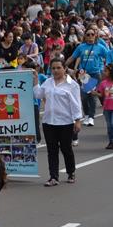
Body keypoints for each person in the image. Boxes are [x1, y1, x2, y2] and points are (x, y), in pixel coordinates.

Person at [33, 55, 82, 186]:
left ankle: (71, 172)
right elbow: (38, 95)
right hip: (49, 122)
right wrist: (36, 82)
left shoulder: (72, 85)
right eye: (53, 68)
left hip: (65, 122)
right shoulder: (48, 82)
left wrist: (77, 120)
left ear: (65, 69)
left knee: (66, 149)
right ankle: (53, 177)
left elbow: (76, 104)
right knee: (52, 150)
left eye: (58, 68)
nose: (55, 71)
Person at [67, 29, 106, 126]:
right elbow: (73, 57)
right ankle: (87, 114)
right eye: (88, 34)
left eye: (92, 34)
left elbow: (108, 56)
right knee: (84, 96)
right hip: (83, 74)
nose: (90, 36)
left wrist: (108, 68)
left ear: (95, 35)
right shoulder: (81, 47)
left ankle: (91, 117)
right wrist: (64, 65)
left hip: (95, 74)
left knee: (92, 95)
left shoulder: (100, 47)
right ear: (85, 36)